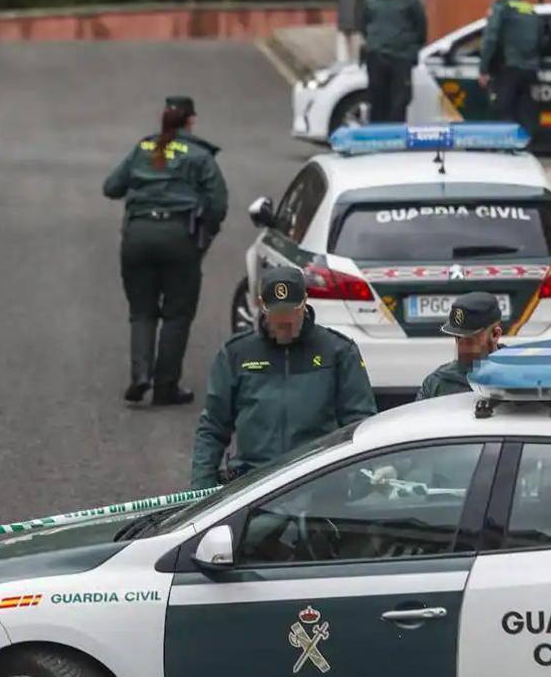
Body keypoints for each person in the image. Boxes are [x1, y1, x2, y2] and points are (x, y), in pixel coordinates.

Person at [191, 266, 377, 488]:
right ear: (262, 306)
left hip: (317, 480)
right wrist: (201, 487)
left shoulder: (338, 352)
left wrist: (365, 477)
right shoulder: (236, 354)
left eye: (292, 313)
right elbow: (212, 427)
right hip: (253, 485)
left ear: (305, 303)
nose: (285, 322)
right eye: (278, 315)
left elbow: (360, 422)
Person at [103, 95, 228, 406]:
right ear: (191, 120)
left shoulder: (143, 148)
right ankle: (165, 386)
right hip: (179, 238)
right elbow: (218, 205)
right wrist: (205, 234)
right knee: (177, 314)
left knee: (142, 312)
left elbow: (111, 187)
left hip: (138, 235)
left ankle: (140, 376)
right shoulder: (200, 156)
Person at [361, 0, 427, 124]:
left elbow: (421, 29)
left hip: (400, 58)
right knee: (377, 101)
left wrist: (411, 52)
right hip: (377, 59)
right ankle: (376, 141)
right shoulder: (370, 1)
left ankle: (396, 143)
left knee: (399, 103)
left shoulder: (410, 1)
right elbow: (364, 26)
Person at [478, 0, 543, 138]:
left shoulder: (501, 8)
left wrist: (484, 68)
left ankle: (506, 147)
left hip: (508, 68)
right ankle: (525, 147)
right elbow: (542, 38)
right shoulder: (530, 9)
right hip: (530, 69)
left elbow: (490, 39)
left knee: (502, 109)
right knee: (525, 111)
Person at [417, 292, 502, 399]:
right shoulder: (437, 383)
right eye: (458, 338)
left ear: (495, 334)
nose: (461, 348)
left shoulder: (518, 377)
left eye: (470, 341)